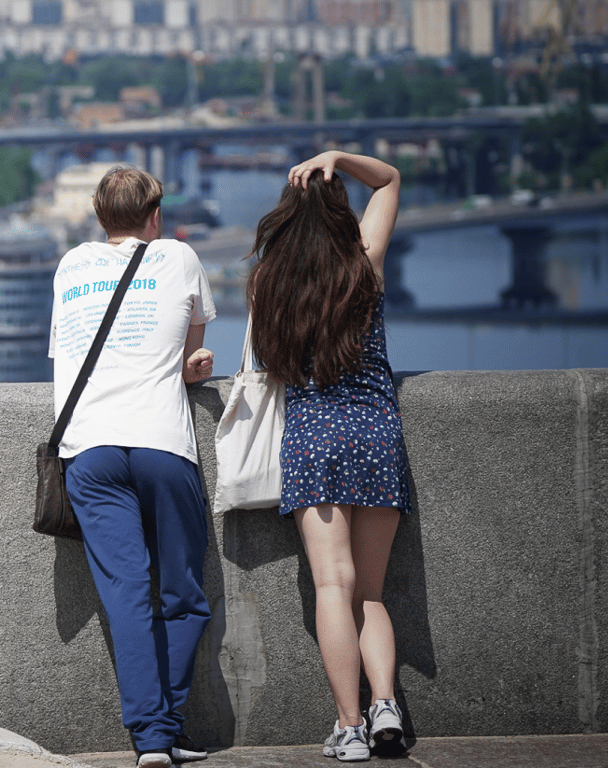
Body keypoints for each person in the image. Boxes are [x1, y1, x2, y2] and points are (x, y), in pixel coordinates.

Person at [246, 150, 413, 762]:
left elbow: (268, 365)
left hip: (313, 436)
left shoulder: (269, 283)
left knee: (332, 586)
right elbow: (389, 180)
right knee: (370, 592)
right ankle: (385, 704)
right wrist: (338, 157)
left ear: (285, 218)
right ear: (342, 211)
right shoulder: (364, 265)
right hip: (376, 433)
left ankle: (349, 726)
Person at [50, 166, 217, 768]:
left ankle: (150, 741)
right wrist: (192, 368)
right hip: (160, 443)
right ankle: (166, 729)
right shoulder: (179, 256)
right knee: (183, 593)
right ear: (156, 215)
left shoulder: (71, 265)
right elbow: (187, 357)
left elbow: (70, 355)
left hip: (90, 449)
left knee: (126, 596)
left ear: (99, 217)